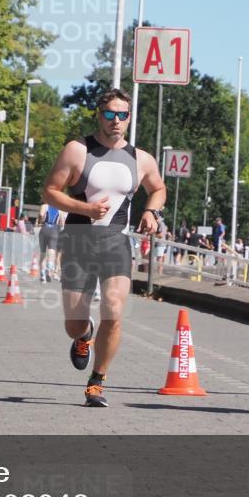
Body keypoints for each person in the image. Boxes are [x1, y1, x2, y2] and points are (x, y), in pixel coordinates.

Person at [42, 88, 167, 407]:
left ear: (129, 117)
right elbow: (50, 192)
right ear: (99, 115)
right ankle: (84, 337)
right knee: (73, 325)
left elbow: (158, 188)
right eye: (109, 114)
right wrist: (84, 209)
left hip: (115, 241)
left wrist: (152, 211)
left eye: (122, 115)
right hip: (78, 240)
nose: (116, 120)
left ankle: (97, 382)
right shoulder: (77, 150)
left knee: (114, 307)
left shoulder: (141, 158)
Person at [38, 203, 61, 282]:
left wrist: (41, 221)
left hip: (45, 228)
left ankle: (42, 274)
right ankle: (49, 266)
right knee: (52, 250)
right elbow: (62, 222)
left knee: (43, 252)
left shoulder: (44, 206)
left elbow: (41, 215)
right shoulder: (60, 209)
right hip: (54, 229)